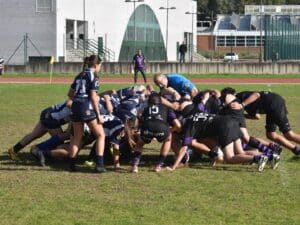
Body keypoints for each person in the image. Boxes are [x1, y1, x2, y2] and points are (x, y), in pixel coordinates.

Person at [67, 55, 106, 172]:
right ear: (96, 65)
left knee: (77, 137)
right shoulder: (94, 76)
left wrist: (78, 98)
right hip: (86, 107)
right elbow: (94, 98)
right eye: (100, 65)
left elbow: (70, 93)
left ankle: (71, 165)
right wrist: (98, 114)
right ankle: (99, 165)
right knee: (101, 135)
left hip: (75, 106)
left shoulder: (80, 74)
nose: (100, 67)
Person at [235, 90, 300, 156]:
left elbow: (257, 95)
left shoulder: (239, 98)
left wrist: (242, 105)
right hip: (270, 108)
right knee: (271, 135)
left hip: (274, 104)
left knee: (289, 134)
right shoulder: (240, 104)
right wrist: (241, 115)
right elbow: (257, 116)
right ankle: (296, 150)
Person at [130, 92, 181, 173]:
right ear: (161, 101)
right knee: (168, 139)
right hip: (162, 128)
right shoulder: (167, 108)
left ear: (149, 102)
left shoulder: (146, 108)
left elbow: (139, 116)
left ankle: (135, 166)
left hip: (147, 127)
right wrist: (170, 130)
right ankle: (159, 165)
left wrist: (139, 127)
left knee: (140, 143)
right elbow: (178, 125)